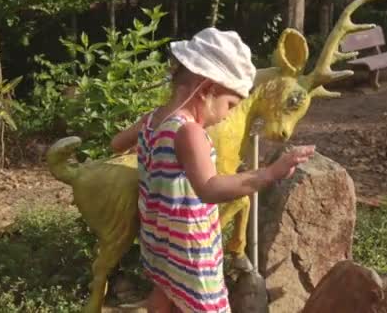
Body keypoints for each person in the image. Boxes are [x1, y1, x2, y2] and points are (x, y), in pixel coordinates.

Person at [111, 28, 315, 312]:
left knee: (166, 288)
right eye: (230, 104)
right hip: (190, 248)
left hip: (159, 241)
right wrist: (270, 173)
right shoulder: (189, 132)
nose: (228, 114)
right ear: (207, 89)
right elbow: (210, 188)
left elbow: (117, 143)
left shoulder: (152, 119)